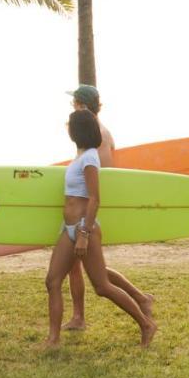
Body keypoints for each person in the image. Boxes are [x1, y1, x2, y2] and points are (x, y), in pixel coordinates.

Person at [45, 109, 155, 348]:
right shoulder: (81, 155)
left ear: (79, 129)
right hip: (68, 228)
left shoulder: (90, 158)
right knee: (52, 281)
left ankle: (146, 324)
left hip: (86, 228)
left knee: (102, 286)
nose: (67, 128)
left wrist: (83, 234)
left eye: (70, 125)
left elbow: (94, 198)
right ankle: (53, 339)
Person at [62, 84, 119, 332]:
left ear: (80, 104)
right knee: (91, 268)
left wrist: (85, 223)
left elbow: (100, 175)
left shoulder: (96, 134)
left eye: (73, 102)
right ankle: (78, 317)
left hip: (89, 210)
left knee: (94, 273)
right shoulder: (95, 132)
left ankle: (80, 317)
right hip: (88, 207)